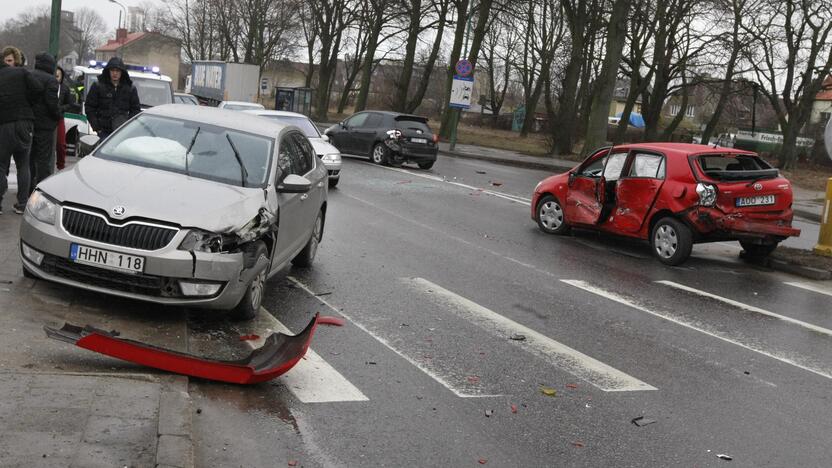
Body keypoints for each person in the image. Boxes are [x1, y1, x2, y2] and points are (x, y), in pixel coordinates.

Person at [0, 46, 41, 215]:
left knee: (1, 165)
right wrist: (27, 104)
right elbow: (38, 89)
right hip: (25, 123)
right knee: (23, 164)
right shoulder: (24, 73)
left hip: (4, 124)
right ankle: (23, 203)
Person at [84, 57, 140, 140]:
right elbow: (89, 107)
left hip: (122, 132)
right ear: (108, 71)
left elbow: (135, 110)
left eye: (117, 71)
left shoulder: (130, 89)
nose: (115, 73)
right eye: (112, 70)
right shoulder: (98, 86)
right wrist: (97, 127)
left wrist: (127, 126)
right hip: (103, 132)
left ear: (122, 72)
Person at [29, 52, 61, 194]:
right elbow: (52, 104)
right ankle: (41, 192)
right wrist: (58, 115)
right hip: (45, 126)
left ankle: (28, 189)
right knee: (43, 161)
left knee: (29, 159)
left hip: (30, 123)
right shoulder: (51, 80)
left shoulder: (30, 75)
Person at [54, 66, 78, 170]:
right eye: (54, 76)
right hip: (46, 119)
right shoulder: (47, 85)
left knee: (61, 144)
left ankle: (61, 166)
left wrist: (61, 108)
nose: (56, 78)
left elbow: (70, 103)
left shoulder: (64, 88)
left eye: (58, 76)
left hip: (59, 118)